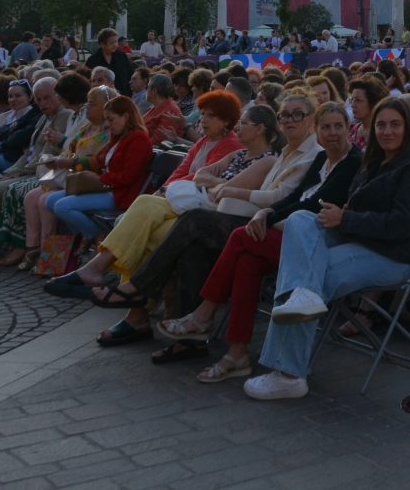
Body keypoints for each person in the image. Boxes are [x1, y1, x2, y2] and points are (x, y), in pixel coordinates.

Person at [237, 96, 410, 399]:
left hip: (392, 255)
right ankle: (301, 305)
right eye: (381, 124)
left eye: (395, 124)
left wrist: (347, 218)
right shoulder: (375, 161)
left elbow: (401, 226)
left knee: (312, 275)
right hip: (358, 238)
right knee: (301, 220)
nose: (387, 131)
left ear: (408, 127)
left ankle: (288, 374)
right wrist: (345, 214)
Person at [165, 101, 362, 381]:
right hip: (290, 230)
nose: (332, 133)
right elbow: (294, 198)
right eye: (326, 127)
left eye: (338, 126)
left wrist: (266, 216)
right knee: (247, 261)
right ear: (317, 129)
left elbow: (314, 205)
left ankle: (203, 314)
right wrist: (265, 213)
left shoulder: (352, 161)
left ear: (348, 128)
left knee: (238, 236)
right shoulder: (321, 159)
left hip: (314, 243)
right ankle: (236, 353)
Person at [42, 90, 259, 297]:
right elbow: (182, 171)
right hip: (180, 201)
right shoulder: (204, 140)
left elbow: (199, 177)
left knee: (138, 224)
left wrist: (165, 189)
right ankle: (130, 298)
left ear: (226, 120)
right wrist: (165, 189)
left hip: (195, 207)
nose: (203, 119)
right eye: (203, 114)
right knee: (134, 222)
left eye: (211, 116)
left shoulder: (229, 144)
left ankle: (123, 290)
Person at [40, 95, 154, 241]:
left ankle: (97, 237)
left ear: (125, 116)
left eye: (110, 119)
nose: (107, 124)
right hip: (108, 188)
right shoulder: (119, 137)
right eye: (106, 119)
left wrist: (100, 179)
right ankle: (87, 236)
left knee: (62, 207)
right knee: (50, 201)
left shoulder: (138, 139)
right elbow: (101, 162)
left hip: (121, 194)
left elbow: (127, 177)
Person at [87, 28, 133, 95]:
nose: (115, 45)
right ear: (102, 44)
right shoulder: (92, 60)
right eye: (111, 43)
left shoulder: (122, 56)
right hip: (100, 95)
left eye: (115, 42)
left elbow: (130, 73)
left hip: (122, 94)